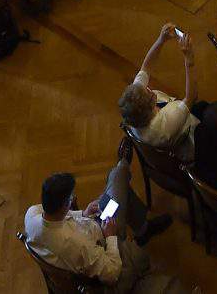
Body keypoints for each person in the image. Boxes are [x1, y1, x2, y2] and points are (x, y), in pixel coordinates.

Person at [23, 159, 166, 289]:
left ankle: (142, 227)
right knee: (119, 176)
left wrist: (83, 214)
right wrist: (110, 236)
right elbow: (112, 274)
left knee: (118, 181)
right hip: (102, 244)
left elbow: (60, 216)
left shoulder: (32, 214)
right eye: (71, 197)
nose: (73, 199)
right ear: (65, 205)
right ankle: (143, 228)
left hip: (91, 228)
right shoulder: (77, 244)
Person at [118, 23, 201, 158]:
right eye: (150, 94)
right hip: (189, 137)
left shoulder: (134, 105)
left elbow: (146, 68)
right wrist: (189, 60)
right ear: (151, 107)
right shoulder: (165, 125)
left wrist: (161, 40)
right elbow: (191, 97)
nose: (151, 92)